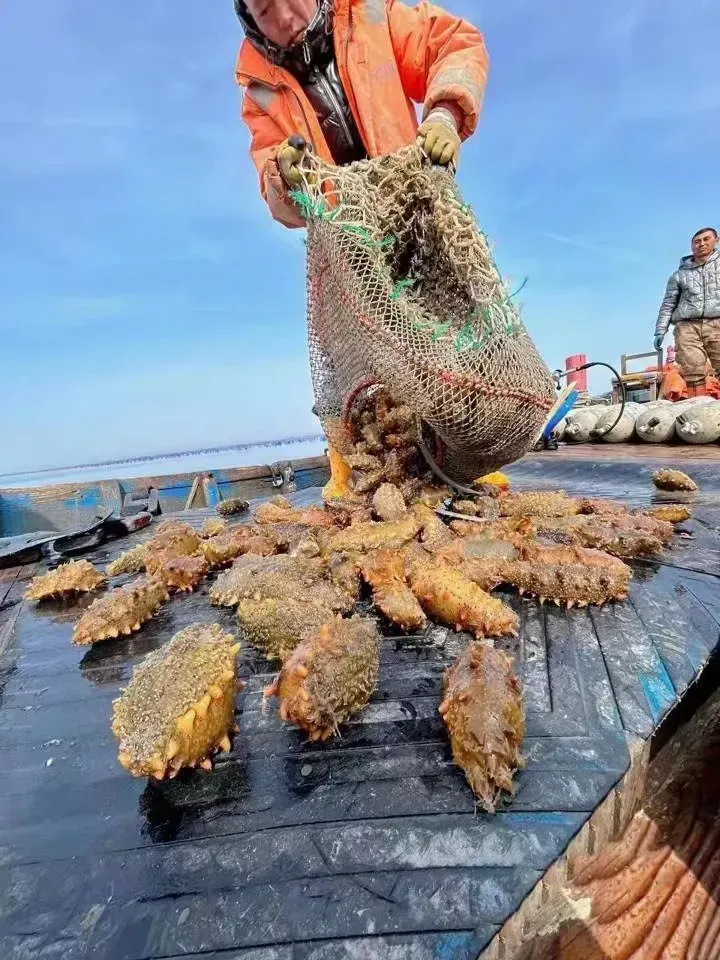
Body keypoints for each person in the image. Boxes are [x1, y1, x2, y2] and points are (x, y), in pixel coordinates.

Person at [233, 0, 489, 228]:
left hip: (422, 215)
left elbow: (453, 44)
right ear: (250, 20)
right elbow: (275, 190)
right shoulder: (259, 92)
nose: (285, 18)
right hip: (349, 250)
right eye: (264, 11)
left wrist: (445, 115)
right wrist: (286, 181)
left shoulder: (371, 14)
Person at [654, 228, 720, 398]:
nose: (701, 244)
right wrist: (660, 330)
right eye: (697, 242)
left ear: (716, 241)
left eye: (706, 239)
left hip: (717, 322)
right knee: (693, 371)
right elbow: (668, 304)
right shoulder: (679, 275)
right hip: (687, 327)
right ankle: (697, 408)